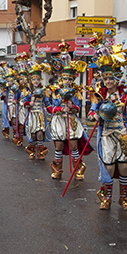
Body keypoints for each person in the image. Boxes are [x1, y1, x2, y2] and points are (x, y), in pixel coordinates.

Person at [88, 34, 127, 210]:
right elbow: (92, 111)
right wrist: (94, 115)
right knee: (109, 167)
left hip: (123, 134)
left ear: (117, 78)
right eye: (106, 78)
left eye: (111, 78)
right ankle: (106, 197)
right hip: (106, 134)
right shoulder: (99, 94)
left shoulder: (125, 94)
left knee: (124, 167)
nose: (109, 81)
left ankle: (124, 198)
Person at [45, 43, 92, 181]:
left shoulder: (76, 91)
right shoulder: (54, 90)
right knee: (59, 145)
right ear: (61, 78)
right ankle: (58, 169)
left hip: (71, 120)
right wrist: (60, 109)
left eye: (70, 79)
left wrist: (72, 107)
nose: (67, 81)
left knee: (73, 145)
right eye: (65, 78)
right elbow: (49, 106)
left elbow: (78, 108)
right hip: (59, 120)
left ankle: (78, 169)